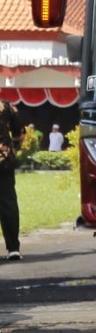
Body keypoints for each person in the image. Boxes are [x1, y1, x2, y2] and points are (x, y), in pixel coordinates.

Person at [0, 100, 22, 260]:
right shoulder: (8, 107)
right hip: (4, 160)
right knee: (8, 203)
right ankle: (13, 248)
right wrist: (12, 148)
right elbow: (19, 134)